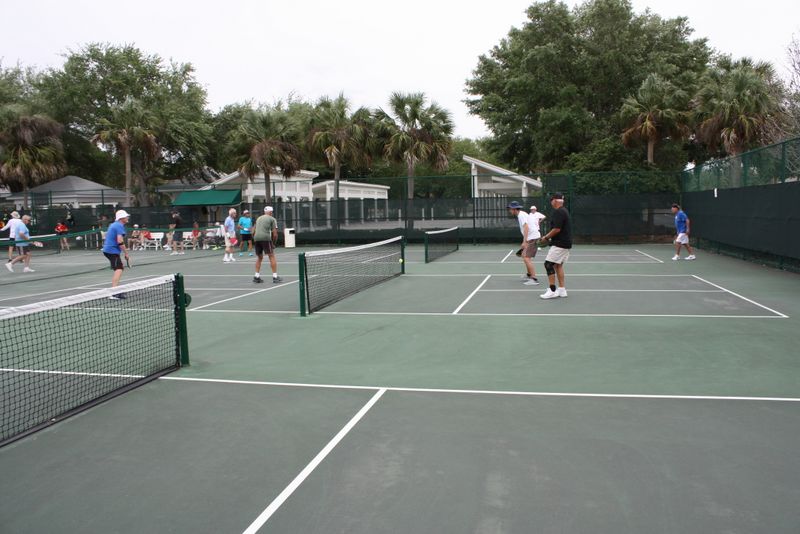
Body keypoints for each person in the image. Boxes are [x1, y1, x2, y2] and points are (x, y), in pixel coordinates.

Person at [538, 193, 572, 300]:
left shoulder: (559, 212)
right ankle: (562, 290)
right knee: (558, 265)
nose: (551, 202)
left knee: (548, 264)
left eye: (551, 200)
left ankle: (552, 291)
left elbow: (557, 229)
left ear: (555, 201)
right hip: (565, 243)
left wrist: (546, 237)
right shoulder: (564, 211)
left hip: (560, 243)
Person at [506, 201, 539, 285]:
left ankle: (534, 279)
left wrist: (525, 241)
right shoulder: (521, 214)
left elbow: (526, 228)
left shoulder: (521, 215)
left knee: (526, 258)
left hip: (532, 237)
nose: (509, 210)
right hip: (532, 237)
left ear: (514, 209)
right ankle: (529, 275)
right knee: (525, 256)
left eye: (510, 209)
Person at [102, 210, 131, 297]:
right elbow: (120, 241)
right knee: (119, 268)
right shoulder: (119, 225)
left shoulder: (115, 225)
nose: (127, 217)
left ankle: (115, 290)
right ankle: (113, 292)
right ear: (121, 218)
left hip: (110, 250)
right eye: (126, 216)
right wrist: (126, 253)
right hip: (111, 250)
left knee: (119, 268)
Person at [252, 206, 282, 283]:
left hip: (256, 238)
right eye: (272, 212)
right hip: (265, 238)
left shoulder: (258, 218)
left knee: (259, 257)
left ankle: (256, 276)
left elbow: (253, 231)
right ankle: (275, 277)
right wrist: (273, 243)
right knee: (271, 256)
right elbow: (275, 234)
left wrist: (255, 238)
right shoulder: (272, 219)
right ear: (271, 212)